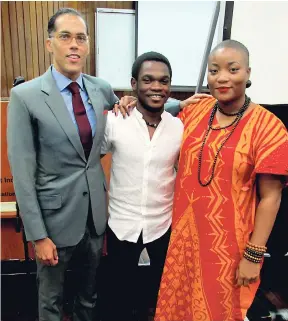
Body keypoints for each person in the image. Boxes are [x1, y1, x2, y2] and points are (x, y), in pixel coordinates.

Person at [154, 40, 288, 321]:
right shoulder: (196, 111)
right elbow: (153, 118)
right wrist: (127, 101)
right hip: (184, 242)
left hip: (228, 248)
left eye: (233, 69)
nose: (222, 77)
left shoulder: (269, 128)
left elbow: (271, 197)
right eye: (214, 71)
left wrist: (253, 256)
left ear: (248, 73)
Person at [7, 7, 126, 321]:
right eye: (65, 37)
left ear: (87, 46)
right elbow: (22, 172)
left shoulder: (100, 88)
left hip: (94, 219)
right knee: (50, 302)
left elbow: (136, 107)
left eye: (81, 38)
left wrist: (177, 102)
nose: (74, 45)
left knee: (88, 296)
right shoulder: (26, 96)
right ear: (50, 44)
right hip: (53, 221)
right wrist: (37, 235)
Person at [101, 52, 209, 321]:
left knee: (160, 299)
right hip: (120, 226)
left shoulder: (179, 128)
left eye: (164, 81)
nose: (156, 87)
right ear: (133, 83)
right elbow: (87, 163)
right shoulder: (115, 121)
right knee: (117, 302)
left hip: (163, 227)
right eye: (148, 80)